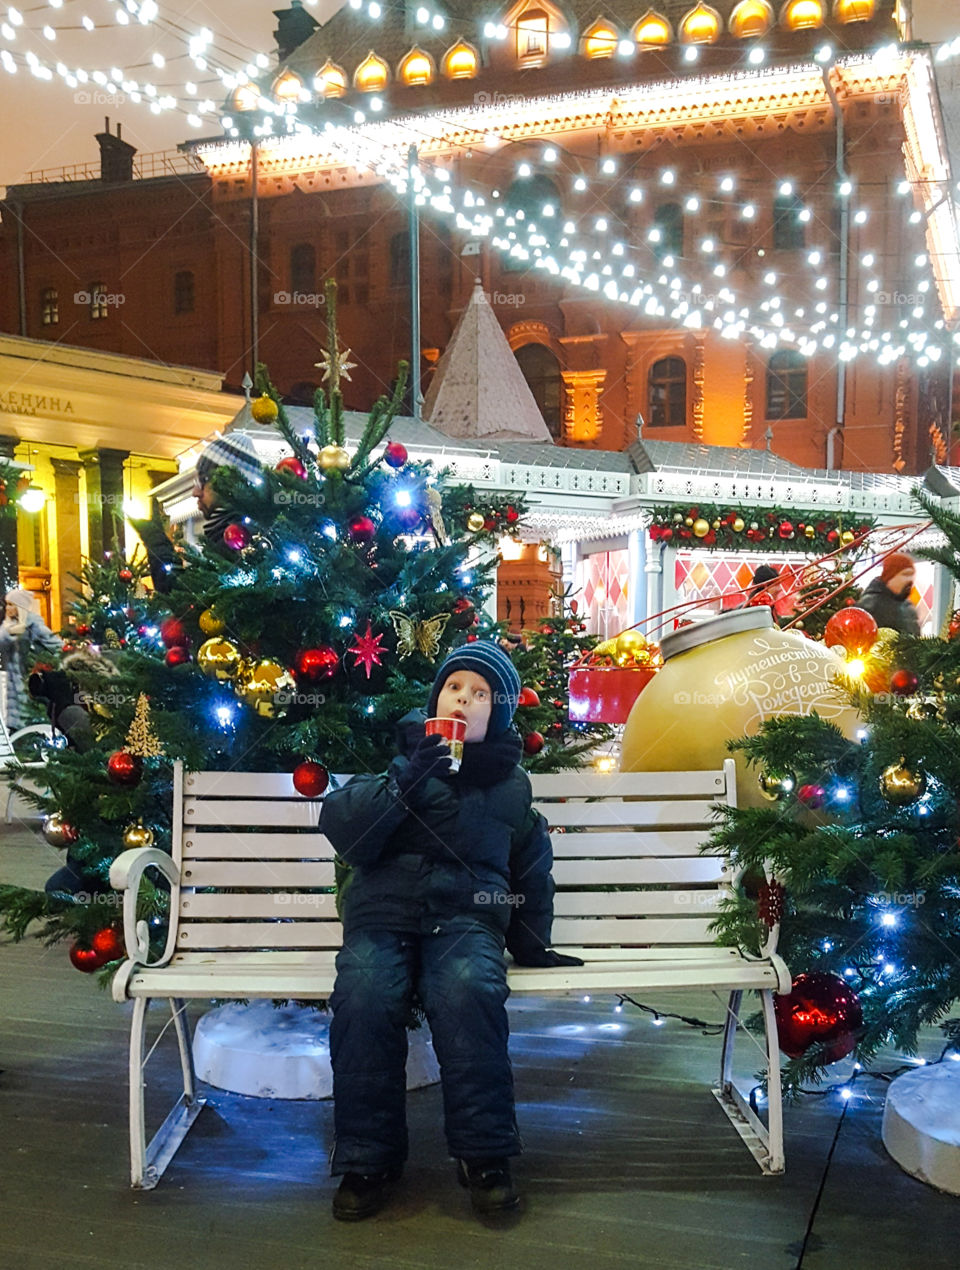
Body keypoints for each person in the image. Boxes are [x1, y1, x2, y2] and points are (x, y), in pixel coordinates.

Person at [319, 641, 581, 1223]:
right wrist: (408, 782)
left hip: (465, 918)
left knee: (469, 990)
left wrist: (532, 944)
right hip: (383, 915)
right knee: (365, 992)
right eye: (454, 688)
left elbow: (530, 867)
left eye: (480, 694)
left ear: (499, 714)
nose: (463, 701)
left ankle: (484, 1155)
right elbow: (344, 829)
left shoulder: (511, 787)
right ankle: (368, 1157)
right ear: (436, 699)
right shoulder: (402, 762)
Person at [131, 432, 262, 592]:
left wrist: (155, 540)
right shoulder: (236, 532)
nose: (195, 492)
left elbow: (183, 596)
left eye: (204, 480)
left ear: (227, 481)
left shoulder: (239, 539)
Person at [0, 588, 63, 731]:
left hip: (30, 689)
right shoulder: (8, 626)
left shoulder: (33, 626)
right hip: (14, 690)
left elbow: (57, 646)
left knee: (31, 727)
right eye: (7, 604)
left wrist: (48, 664)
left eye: (11, 604)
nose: (7, 608)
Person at [857, 552, 921, 636]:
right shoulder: (870, 605)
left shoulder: (907, 606)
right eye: (905, 574)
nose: (910, 580)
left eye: (912, 575)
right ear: (890, 577)